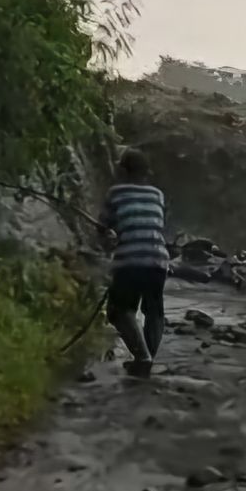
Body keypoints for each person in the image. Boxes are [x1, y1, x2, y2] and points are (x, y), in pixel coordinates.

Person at [98, 148, 169, 378]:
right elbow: (154, 224)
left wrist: (108, 239)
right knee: (154, 311)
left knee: (118, 310)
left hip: (130, 260)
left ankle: (142, 357)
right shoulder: (157, 194)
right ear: (146, 173)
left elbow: (103, 234)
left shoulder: (115, 193)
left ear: (123, 170)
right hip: (158, 260)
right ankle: (147, 362)